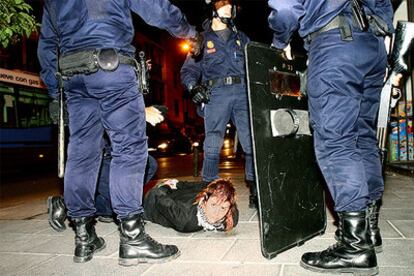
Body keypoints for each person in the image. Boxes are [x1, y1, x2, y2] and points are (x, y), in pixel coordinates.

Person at [37, 0, 202, 266]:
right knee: (130, 148)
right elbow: (155, 8)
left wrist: (56, 93)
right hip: (110, 67)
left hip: (72, 74)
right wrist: (190, 33)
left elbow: (46, 44)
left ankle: (84, 236)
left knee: (81, 152)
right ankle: (133, 239)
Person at [267, 0, 394, 275]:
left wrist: (280, 40)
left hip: (336, 45)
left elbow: (286, 8)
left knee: (336, 142)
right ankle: (370, 230)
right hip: (372, 46)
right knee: (363, 137)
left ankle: (355, 246)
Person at [180, 0, 257, 208]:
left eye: (231, 4)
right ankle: (209, 190)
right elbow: (188, 71)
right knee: (213, 142)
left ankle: (255, 190)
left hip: (243, 92)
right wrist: (193, 87)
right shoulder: (202, 40)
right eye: (223, 3)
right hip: (216, 93)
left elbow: (257, 65)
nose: (229, 8)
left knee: (251, 143)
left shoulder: (242, 38)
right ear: (212, 9)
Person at [49, 178, 239, 233]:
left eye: (224, 208)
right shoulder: (212, 197)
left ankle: (65, 203)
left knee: (112, 203)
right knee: (144, 168)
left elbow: (158, 195)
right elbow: (202, 184)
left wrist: (164, 186)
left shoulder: (187, 221)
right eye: (214, 204)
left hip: (150, 203)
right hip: (170, 193)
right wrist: (177, 182)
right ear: (205, 199)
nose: (217, 213)